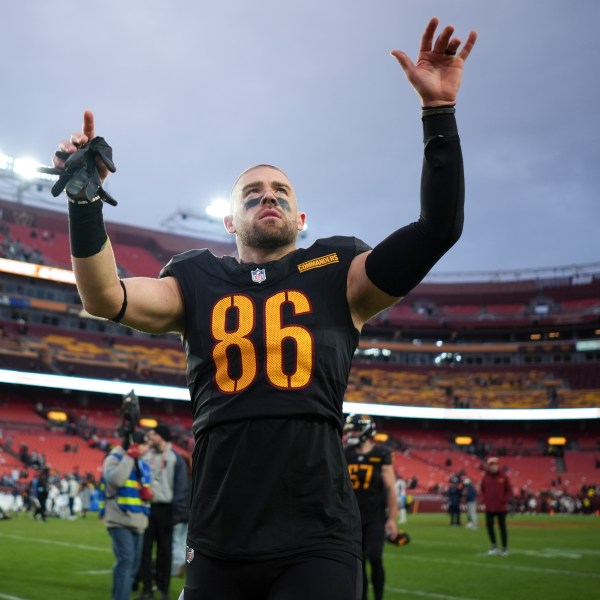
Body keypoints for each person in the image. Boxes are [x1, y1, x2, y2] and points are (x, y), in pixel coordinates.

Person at [48, 16, 477, 600]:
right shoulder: (196, 277)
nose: (267, 196)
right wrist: (84, 200)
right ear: (230, 221)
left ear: (302, 220)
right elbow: (105, 296)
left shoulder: (339, 273)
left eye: (280, 192)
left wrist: (439, 113)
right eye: (252, 193)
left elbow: (436, 229)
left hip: (317, 535)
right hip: (220, 536)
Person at [344, 415, 398, 600]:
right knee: (358, 564)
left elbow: (391, 487)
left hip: (375, 516)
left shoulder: (381, 454)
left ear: (367, 431)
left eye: (355, 430)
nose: (351, 433)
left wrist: (391, 519)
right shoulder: (345, 453)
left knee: (375, 558)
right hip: (351, 518)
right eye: (350, 430)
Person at [137, 423, 187, 600]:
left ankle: (163, 589)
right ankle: (147, 590)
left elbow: (181, 487)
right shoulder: (146, 456)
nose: (151, 438)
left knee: (165, 552)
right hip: (147, 508)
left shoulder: (175, 458)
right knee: (145, 550)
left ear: (163, 437)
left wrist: (177, 512)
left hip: (166, 510)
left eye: (155, 435)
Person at [102, 431, 152, 600]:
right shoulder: (113, 459)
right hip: (119, 519)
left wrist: (149, 494)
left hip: (139, 521)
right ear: (135, 446)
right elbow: (115, 480)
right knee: (126, 561)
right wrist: (129, 458)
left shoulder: (143, 464)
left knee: (132, 566)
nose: (148, 448)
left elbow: (148, 490)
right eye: (145, 444)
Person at [480, 456, 512, 556]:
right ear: (489, 467)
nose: (493, 467)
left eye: (495, 465)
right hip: (490, 507)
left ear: (498, 465)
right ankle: (494, 546)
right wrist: (484, 500)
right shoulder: (485, 477)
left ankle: (504, 548)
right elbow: (482, 490)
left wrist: (504, 500)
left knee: (502, 527)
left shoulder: (504, 477)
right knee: (489, 526)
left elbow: (509, 491)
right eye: (491, 465)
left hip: (501, 507)